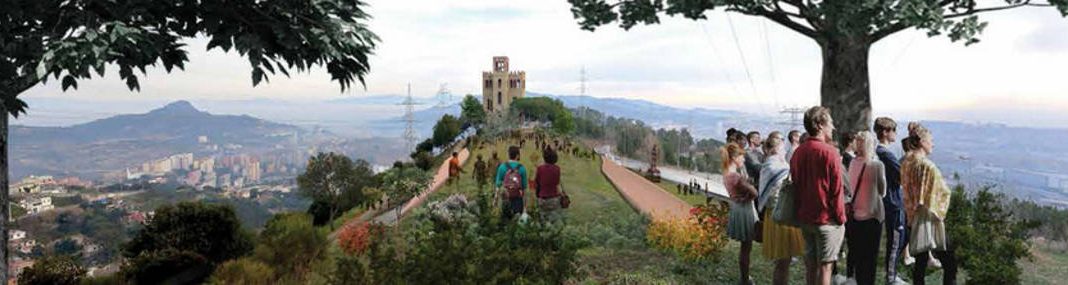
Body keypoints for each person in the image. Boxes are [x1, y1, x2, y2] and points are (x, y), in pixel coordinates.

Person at [790, 106, 846, 285]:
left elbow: (796, 185)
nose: (833, 127)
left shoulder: (798, 152)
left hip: (805, 217)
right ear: (820, 125)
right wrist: (840, 218)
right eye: (830, 123)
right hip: (826, 219)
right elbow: (836, 190)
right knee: (826, 267)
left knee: (810, 265)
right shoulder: (830, 152)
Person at [901, 123, 957, 285]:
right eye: (930, 140)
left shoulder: (907, 163)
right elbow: (942, 192)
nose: (932, 144)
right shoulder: (928, 166)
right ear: (922, 142)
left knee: (920, 262)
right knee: (950, 264)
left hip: (913, 215)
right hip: (929, 217)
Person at [756, 132, 804, 285]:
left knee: (784, 261)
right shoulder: (776, 166)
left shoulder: (769, 164)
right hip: (781, 215)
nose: (785, 150)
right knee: (783, 261)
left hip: (775, 214)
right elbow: (778, 192)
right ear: (776, 148)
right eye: (782, 147)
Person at [845, 131, 886, 285]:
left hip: (855, 215)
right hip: (873, 216)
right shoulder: (877, 165)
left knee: (858, 255)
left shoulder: (853, 163)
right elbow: (883, 191)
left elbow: (849, 187)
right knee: (870, 258)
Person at [874, 117, 908, 285]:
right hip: (893, 202)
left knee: (895, 240)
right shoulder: (886, 154)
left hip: (885, 201)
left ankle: (892, 274)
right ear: (886, 132)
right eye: (893, 130)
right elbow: (903, 177)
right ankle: (891, 277)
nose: (895, 134)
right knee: (896, 240)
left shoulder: (875, 152)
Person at [723, 143, 759, 285]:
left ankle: (744, 277)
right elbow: (754, 193)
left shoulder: (726, 174)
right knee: (746, 248)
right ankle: (745, 279)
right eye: (742, 157)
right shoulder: (736, 176)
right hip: (745, 210)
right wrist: (750, 190)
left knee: (744, 247)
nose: (743, 160)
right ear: (734, 157)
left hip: (737, 207)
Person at [495, 146, 529, 220]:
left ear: (508, 154)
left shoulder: (502, 167)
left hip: (505, 199)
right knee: (517, 221)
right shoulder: (522, 168)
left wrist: (495, 200)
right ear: (517, 155)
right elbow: (524, 190)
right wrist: (525, 207)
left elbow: (498, 186)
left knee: (505, 221)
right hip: (518, 199)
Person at [534, 147, 565, 223]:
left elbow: (536, 183)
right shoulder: (557, 169)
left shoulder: (540, 168)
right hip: (554, 198)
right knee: (554, 221)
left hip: (542, 199)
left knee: (543, 220)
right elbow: (557, 183)